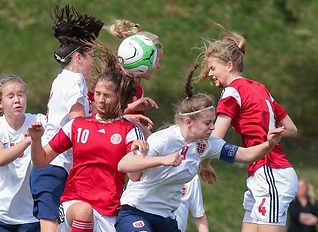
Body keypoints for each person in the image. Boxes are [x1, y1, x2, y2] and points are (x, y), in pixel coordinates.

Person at [114, 63, 286, 232]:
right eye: (207, 123)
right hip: (136, 212)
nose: (213, 127)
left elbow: (246, 154)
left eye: (212, 122)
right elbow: (124, 165)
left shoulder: (207, 144)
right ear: (188, 122)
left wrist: (269, 144)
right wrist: (162, 160)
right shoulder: (164, 139)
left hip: (166, 218)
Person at [28, 44, 148, 232]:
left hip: (109, 211)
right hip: (73, 204)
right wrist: (36, 141)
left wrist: (140, 152)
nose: (100, 100)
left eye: (107, 95)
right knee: (84, 211)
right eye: (97, 94)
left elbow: (134, 176)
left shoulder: (129, 130)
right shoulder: (77, 125)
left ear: (119, 98)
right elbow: (41, 161)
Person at [195, 22, 299, 232]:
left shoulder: (232, 92)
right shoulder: (261, 88)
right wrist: (270, 136)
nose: (210, 74)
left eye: (213, 68)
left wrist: (205, 162)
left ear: (230, 65)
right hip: (261, 171)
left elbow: (216, 137)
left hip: (271, 170)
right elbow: (291, 129)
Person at [29, 4, 104, 232]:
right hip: (55, 165)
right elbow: (79, 124)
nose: (94, 61)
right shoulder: (74, 81)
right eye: (91, 55)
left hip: (58, 164)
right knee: (51, 226)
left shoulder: (64, 79)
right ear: (78, 58)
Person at [0, 75, 44, 232]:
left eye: (21, 94)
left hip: (32, 216)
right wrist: (30, 140)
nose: (17, 100)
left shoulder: (40, 121)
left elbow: (45, 159)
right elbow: (0, 158)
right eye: (11, 96)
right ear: (0, 103)